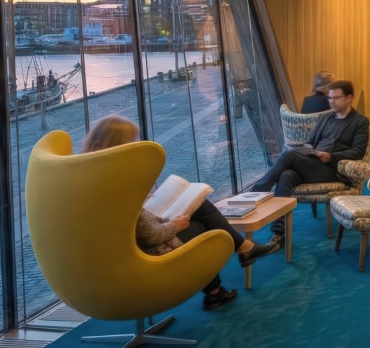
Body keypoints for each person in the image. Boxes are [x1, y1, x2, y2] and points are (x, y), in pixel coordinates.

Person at [82, 116, 279, 311]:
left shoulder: (91, 176)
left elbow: (125, 221)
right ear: (120, 145)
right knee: (203, 224)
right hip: (143, 254)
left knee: (199, 210)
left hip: (111, 257)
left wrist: (142, 201)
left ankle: (222, 282)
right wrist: (175, 225)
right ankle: (240, 255)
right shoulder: (118, 185)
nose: (137, 145)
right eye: (133, 141)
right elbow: (150, 236)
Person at [248, 80, 369, 245]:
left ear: (349, 98)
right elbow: (312, 142)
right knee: (286, 175)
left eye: (336, 98)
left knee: (288, 156)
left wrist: (330, 156)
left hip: (332, 170)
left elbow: (358, 151)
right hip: (313, 163)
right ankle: (279, 234)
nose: (332, 101)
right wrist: (307, 149)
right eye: (330, 98)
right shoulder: (326, 118)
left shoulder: (360, 121)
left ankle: (260, 189)